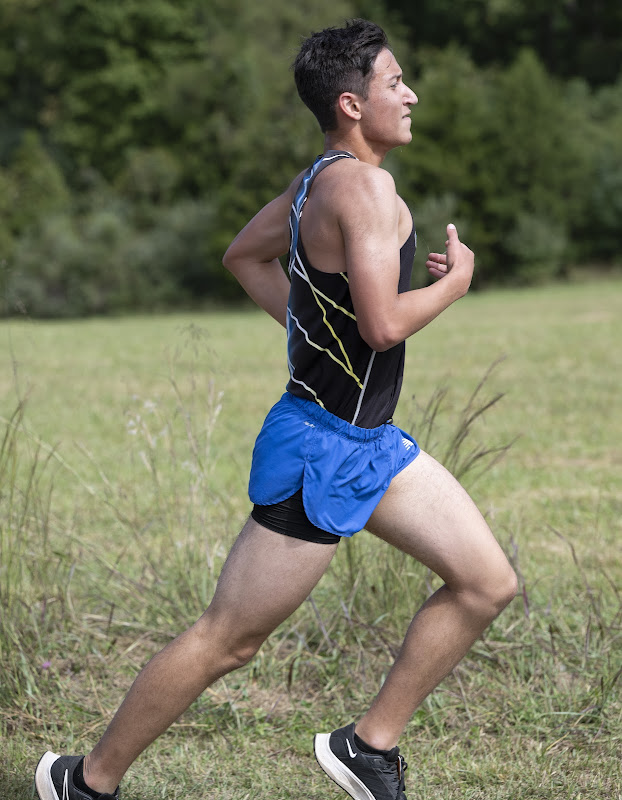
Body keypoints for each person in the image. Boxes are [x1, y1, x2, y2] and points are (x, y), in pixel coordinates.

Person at [34, 19, 517, 800]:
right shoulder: (364, 187)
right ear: (353, 103)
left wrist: (316, 335)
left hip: (371, 444)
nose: (412, 93)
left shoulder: (317, 179)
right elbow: (384, 324)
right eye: (397, 82)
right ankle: (87, 782)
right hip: (319, 453)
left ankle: (368, 746)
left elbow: (244, 256)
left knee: (486, 583)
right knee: (228, 640)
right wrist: (456, 282)